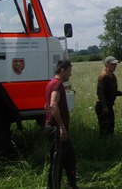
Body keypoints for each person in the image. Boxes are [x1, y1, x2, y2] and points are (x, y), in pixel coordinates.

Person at [44, 60, 77, 189]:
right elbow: (53, 105)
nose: (70, 74)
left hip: (55, 128)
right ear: (62, 70)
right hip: (56, 129)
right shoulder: (57, 85)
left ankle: (72, 185)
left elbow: (46, 105)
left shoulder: (51, 84)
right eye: (69, 71)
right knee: (57, 162)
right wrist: (62, 127)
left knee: (69, 158)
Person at [95, 56, 122, 138]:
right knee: (105, 128)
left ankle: (109, 145)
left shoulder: (113, 76)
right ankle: (103, 147)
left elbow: (113, 92)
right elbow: (100, 94)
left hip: (109, 106)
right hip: (102, 106)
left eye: (115, 64)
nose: (115, 66)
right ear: (106, 64)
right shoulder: (103, 77)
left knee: (111, 127)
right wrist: (104, 107)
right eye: (113, 64)